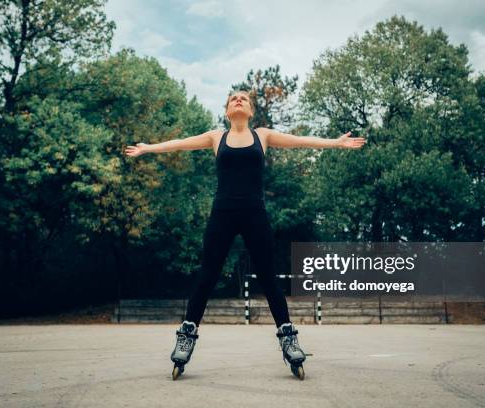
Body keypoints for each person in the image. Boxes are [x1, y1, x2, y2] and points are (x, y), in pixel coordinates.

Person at [124, 89, 367, 380]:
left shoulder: (262, 135)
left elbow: (300, 141)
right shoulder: (216, 137)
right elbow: (180, 144)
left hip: (255, 214)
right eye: (233, 99)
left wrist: (337, 144)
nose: (238, 100)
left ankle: (289, 342)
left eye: (244, 99)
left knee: (268, 278)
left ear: (250, 111)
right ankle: (185, 340)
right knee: (207, 277)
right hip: (222, 214)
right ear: (227, 110)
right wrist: (149, 148)